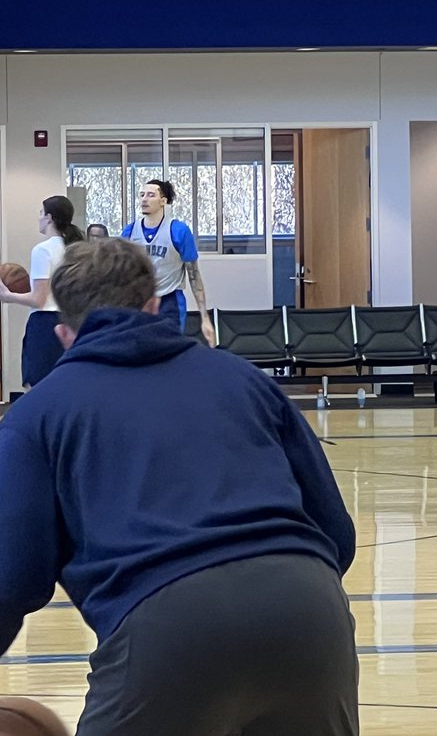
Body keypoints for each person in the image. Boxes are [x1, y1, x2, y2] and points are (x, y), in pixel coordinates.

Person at [0, 238, 358, 735]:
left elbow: (13, 575)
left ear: (64, 333)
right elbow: (337, 533)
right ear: (153, 307)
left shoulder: (37, 414)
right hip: (309, 607)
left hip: (167, 621)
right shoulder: (244, 379)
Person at [0, 195, 84, 387]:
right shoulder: (77, 249)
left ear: (49, 218)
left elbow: (39, 299)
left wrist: (8, 296)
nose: (39, 218)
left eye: (40, 213)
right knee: (64, 385)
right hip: (71, 321)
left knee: (38, 386)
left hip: (45, 325)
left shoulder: (43, 250)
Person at [121, 179, 215, 346]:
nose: (144, 199)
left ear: (163, 201)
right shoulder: (129, 231)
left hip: (169, 299)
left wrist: (204, 317)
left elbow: (194, 275)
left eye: (151, 195)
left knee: (170, 349)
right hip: (139, 300)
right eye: (142, 195)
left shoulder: (178, 231)